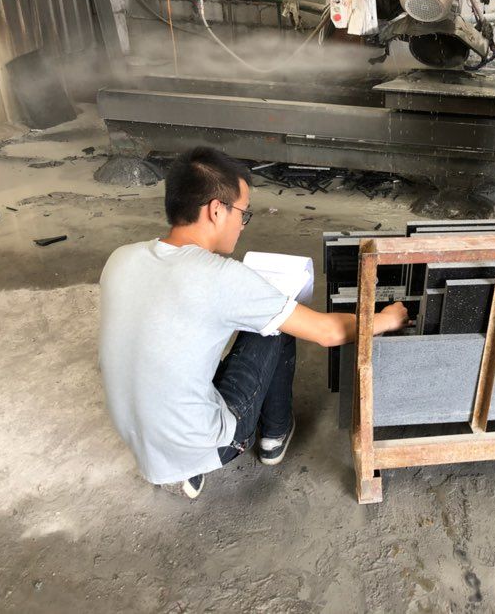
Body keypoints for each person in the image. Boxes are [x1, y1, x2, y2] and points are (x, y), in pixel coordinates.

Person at [99, 147, 408, 499]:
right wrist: (387, 318)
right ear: (216, 210)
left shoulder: (121, 258)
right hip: (206, 442)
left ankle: (180, 465)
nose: (242, 225)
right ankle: (273, 435)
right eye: (243, 213)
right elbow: (328, 332)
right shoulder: (221, 276)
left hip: (139, 438)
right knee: (279, 324)